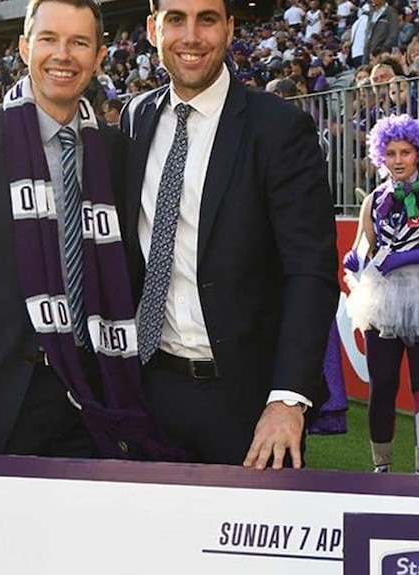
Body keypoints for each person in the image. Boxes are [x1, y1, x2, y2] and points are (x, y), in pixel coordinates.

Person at [0, 0, 173, 493]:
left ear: (98, 57)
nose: (63, 55)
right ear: (25, 46)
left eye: (79, 42)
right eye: (49, 39)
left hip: (96, 395)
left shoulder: (115, 152)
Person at [120, 0, 339, 469]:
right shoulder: (135, 118)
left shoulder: (279, 128)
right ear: (153, 29)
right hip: (149, 391)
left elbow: (310, 272)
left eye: (208, 19)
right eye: (176, 19)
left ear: (230, 28)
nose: (192, 36)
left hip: (249, 403)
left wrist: (287, 399)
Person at [344, 114, 419, 474]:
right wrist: (354, 260)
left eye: (405, 152)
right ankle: (382, 469)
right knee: (383, 385)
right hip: (382, 302)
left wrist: (405, 258)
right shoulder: (375, 198)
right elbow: (363, 248)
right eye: (390, 152)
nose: (398, 159)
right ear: (381, 156)